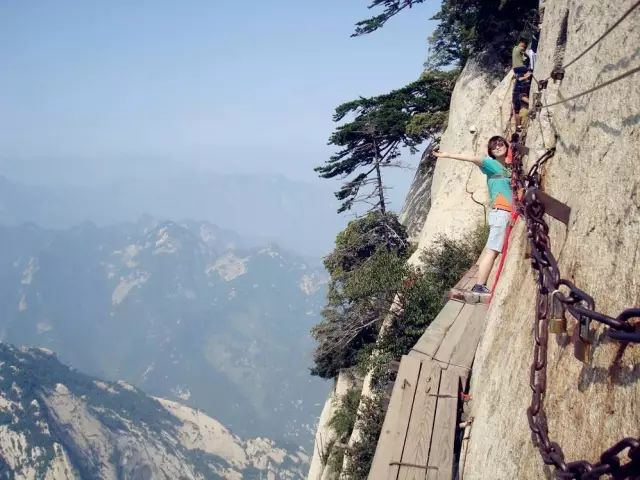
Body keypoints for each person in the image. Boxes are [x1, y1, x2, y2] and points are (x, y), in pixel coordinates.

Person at [434, 136, 513, 294]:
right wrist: (447, 154)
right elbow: (472, 158)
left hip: (506, 212)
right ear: (490, 152)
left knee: (494, 249)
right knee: (493, 250)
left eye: (500, 144)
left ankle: (480, 285)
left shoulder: (507, 168)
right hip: (500, 212)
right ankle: (479, 286)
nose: (497, 147)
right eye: (493, 147)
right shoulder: (491, 164)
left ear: (506, 146)